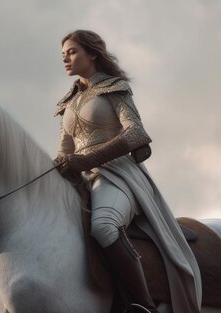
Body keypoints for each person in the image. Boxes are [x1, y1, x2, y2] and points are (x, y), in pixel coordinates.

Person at [54, 30, 202, 313]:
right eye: (63, 55)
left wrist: (87, 161)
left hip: (118, 176)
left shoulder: (114, 88)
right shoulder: (68, 102)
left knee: (104, 226)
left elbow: (136, 133)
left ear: (92, 54)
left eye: (72, 52)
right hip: (80, 180)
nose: (66, 59)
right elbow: (64, 151)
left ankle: (143, 307)